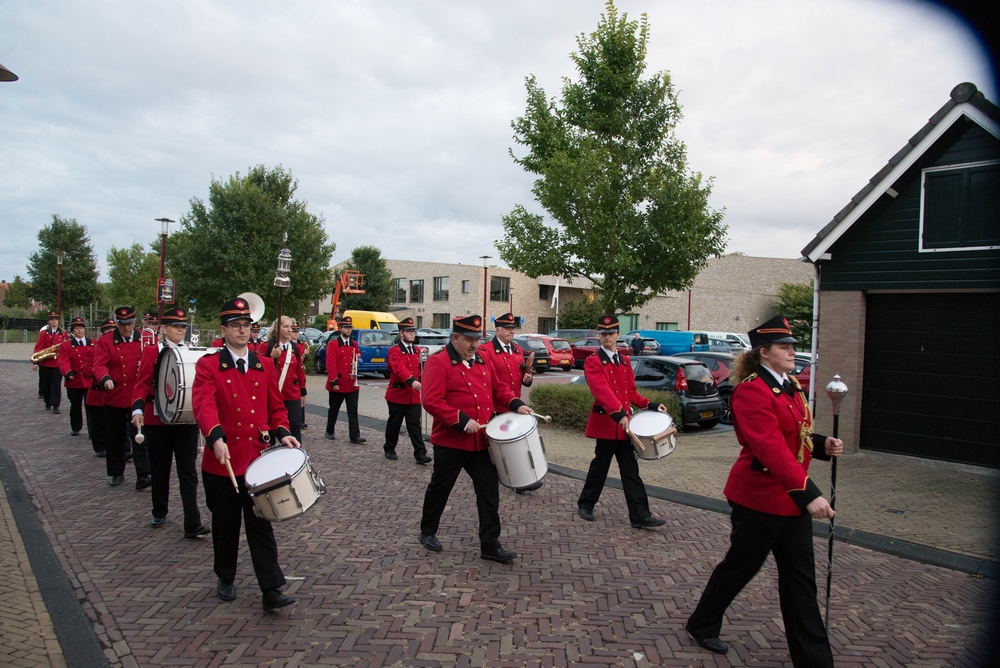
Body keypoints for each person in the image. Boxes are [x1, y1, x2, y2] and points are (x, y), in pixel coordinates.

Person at [685, 315, 843, 665]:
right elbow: (769, 447)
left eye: (792, 346)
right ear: (764, 352)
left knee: (800, 581)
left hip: (791, 498)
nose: (792, 351)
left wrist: (821, 444)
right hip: (758, 498)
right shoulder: (752, 391)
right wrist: (809, 493)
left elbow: (796, 433)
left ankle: (814, 660)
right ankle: (702, 622)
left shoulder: (791, 386)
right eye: (784, 347)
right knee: (740, 567)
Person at [192, 296, 298, 612]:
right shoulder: (209, 365)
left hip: (255, 461)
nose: (242, 330)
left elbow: (276, 406)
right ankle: (225, 576)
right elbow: (203, 405)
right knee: (225, 526)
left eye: (246, 325)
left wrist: (283, 431)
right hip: (222, 462)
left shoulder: (264, 364)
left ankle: (271, 588)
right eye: (236, 325)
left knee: (261, 525)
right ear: (223, 330)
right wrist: (215, 437)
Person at [418, 315, 532, 564]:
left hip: (480, 441)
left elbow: (498, 388)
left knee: (489, 491)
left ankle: (490, 544)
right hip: (451, 442)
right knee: (440, 488)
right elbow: (431, 400)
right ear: (455, 338)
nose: (474, 345)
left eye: (477, 340)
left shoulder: (481, 359)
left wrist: (516, 403)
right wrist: (461, 420)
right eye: (469, 340)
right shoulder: (439, 362)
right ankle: (428, 530)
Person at [577, 314, 667, 529]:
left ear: (618, 335)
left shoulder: (625, 361)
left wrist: (650, 404)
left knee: (630, 471)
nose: (607, 337)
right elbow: (602, 391)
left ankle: (640, 515)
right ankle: (586, 504)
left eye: (611, 333)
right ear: (599, 335)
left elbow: (630, 393)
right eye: (603, 334)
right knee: (600, 467)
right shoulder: (593, 361)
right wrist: (619, 414)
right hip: (608, 425)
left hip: (626, 428)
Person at [131, 307, 210, 538]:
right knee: (160, 469)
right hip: (158, 420)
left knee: (188, 472)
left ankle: (192, 523)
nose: (180, 331)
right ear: (164, 329)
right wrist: (138, 409)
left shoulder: (191, 351)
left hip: (186, 422)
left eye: (183, 327)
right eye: (175, 327)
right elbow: (141, 383)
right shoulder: (152, 352)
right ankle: (159, 510)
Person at [479, 312, 540, 494]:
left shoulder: (517, 349)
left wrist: (527, 379)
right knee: (498, 447)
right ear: (497, 330)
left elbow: (520, 376)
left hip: (514, 404)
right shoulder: (486, 350)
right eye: (507, 328)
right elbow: (489, 381)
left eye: (512, 328)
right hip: (496, 406)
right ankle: (498, 475)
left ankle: (519, 479)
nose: (511, 331)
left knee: (515, 445)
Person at [92, 306, 151, 489]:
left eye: (130, 324)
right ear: (117, 323)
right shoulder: (106, 340)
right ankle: (116, 472)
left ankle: (144, 474)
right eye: (122, 324)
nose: (126, 328)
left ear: (135, 322)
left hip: (137, 397)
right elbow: (99, 364)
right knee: (115, 437)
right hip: (115, 395)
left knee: (140, 436)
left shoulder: (145, 338)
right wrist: (105, 378)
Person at [383, 317, 431, 464]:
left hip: (413, 395)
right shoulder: (394, 351)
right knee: (395, 424)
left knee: (415, 425)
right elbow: (398, 368)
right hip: (397, 394)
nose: (411, 334)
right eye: (408, 331)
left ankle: (420, 453)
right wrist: (412, 380)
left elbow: (421, 371)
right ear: (401, 333)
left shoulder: (417, 351)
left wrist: (424, 380)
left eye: (413, 331)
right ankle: (389, 448)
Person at [262, 315, 307, 444]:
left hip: (292, 394)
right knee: (271, 428)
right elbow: (259, 370)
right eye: (285, 326)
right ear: (277, 328)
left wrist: (303, 392)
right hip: (274, 394)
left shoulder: (294, 348)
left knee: (294, 427)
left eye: (290, 327)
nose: (289, 330)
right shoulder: (267, 346)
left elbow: (298, 371)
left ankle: (295, 452)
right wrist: (271, 357)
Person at [325, 316, 365, 443]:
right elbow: (331, 364)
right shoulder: (333, 344)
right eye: (346, 328)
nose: (349, 330)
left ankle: (354, 435)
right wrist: (334, 381)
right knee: (334, 409)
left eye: (350, 328)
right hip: (338, 382)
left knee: (353, 411)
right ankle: (329, 430)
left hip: (351, 383)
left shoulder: (354, 344)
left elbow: (357, 359)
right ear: (341, 329)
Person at [57, 317, 94, 436]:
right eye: (76, 328)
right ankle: (76, 427)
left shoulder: (93, 343)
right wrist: (67, 372)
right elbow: (63, 361)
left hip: (89, 380)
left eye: (81, 328)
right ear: (72, 331)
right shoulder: (66, 346)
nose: (79, 330)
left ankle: (92, 431)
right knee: (75, 406)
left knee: (91, 406)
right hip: (74, 380)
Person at [84, 319, 116, 457]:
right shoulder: (94, 349)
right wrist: (101, 374)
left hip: (114, 393)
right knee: (98, 423)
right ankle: (100, 446)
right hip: (97, 393)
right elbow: (86, 370)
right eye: (108, 331)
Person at [33, 311, 67, 413]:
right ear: (49, 321)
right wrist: (36, 362)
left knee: (56, 384)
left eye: (56, 319)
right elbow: (39, 347)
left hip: (57, 363)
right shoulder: (44, 333)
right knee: (46, 384)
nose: (54, 321)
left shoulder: (63, 333)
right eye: (52, 319)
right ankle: (47, 402)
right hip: (46, 362)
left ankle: (55, 405)